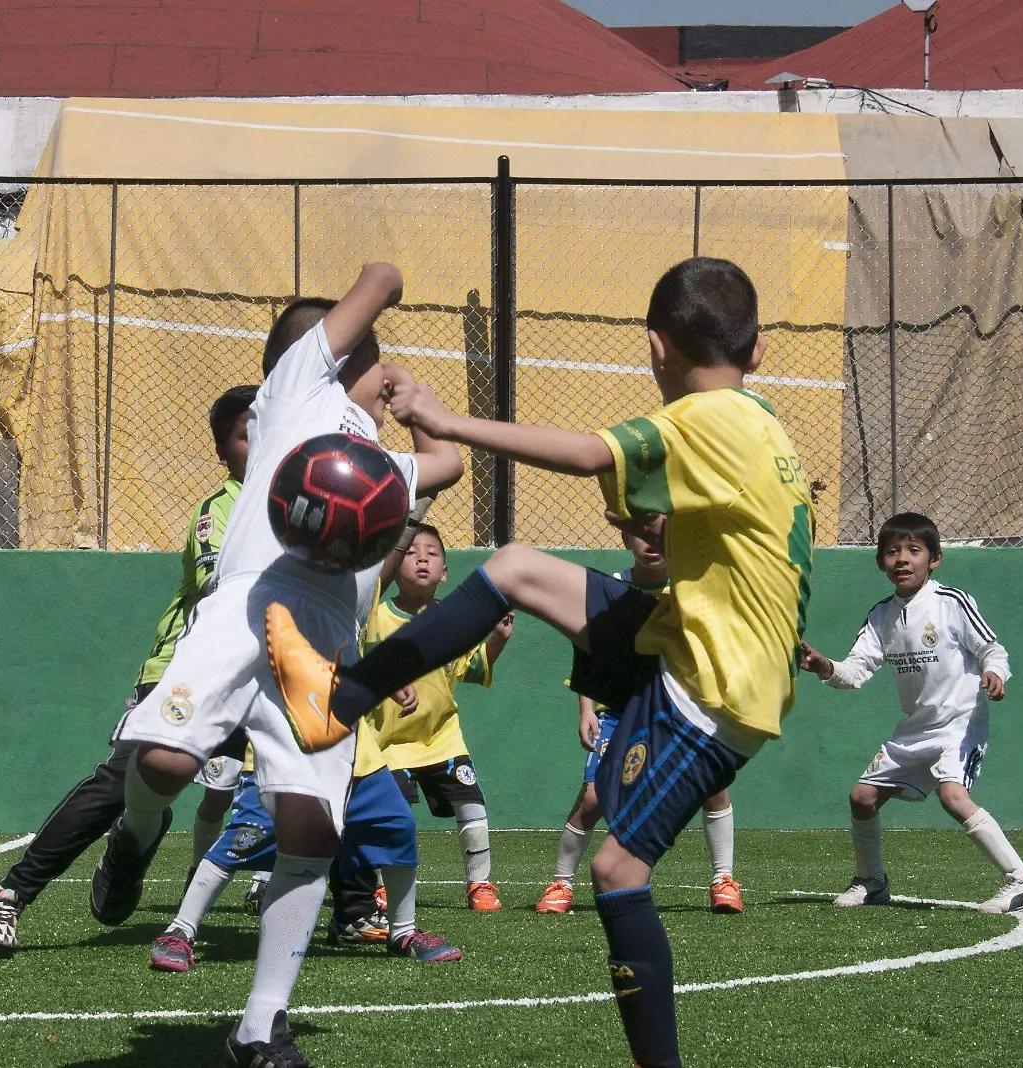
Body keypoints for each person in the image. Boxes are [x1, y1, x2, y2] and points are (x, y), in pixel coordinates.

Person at [268, 257, 811, 1068]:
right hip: (694, 637)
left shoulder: (706, 420)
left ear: (654, 347)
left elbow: (592, 455)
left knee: (618, 869)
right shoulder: (760, 418)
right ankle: (341, 699)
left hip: (714, 688)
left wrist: (449, 424)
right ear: (759, 348)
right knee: (518, 567)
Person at [105, 264, 465, 1067]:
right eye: (374, 357)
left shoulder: (372, 463)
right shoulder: (299, 391)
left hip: (328, 641)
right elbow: (378, 280)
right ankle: (133, 835)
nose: (383, 369)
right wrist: (387, 283)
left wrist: (420, 412)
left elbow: (445, 467)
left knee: (311, 822)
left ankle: (261, 1026)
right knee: (163, 759)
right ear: (335, 353)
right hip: (247, 603)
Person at [0, 384, 256, 950]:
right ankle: (12, 894)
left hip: (261, 674)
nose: (266, 443)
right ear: (225, 451)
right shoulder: (219, 513)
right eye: (249, 435)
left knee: (329, 768)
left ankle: (357, 907)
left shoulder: (298, 507)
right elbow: (223, 584)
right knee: (121, 780)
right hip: (188, 668)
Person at [797, 512, 1023, 916]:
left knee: (953, 795)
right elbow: (856, 670)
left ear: (934, 559)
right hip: (914, 730)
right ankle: (872, 881)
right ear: (880, 562)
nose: (902, 559)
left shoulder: (952, 602)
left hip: (960, 723)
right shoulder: (881, 615)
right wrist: (824, 666)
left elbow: (992, 650)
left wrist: (994, 672)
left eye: (914, 551)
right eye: (893, 552)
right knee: (862, 798)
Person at [539, 517, 741, 917]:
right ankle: (561, 882)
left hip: (680, 708)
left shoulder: (693, 585)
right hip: (619, 709)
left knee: (713, 786)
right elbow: (589, 647)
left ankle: (724, 880)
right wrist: (586, 708)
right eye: (641, 533)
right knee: (594, 796)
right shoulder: (611, 587)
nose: (651, 542)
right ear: (624, 536)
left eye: (661, 533)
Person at [149, 715, 463, 971]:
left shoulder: (350, 635)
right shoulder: (263, 637)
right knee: (245, 838)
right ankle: (180, 930)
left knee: (397, 826)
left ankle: (403, 932)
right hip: (281, 751)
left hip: (356, 754)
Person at [366, 524, 514, 911]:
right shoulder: (375, 617)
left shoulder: (456, 621)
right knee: (391, 816)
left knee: (472, 806)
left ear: (445, 572)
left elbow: (474, 668)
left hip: (443, 737)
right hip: (389, 742)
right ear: (396, 565)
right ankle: (380, 887)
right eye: (413, 553)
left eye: (432, 554)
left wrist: (496, 639)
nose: (422, 559)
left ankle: (479, 885)